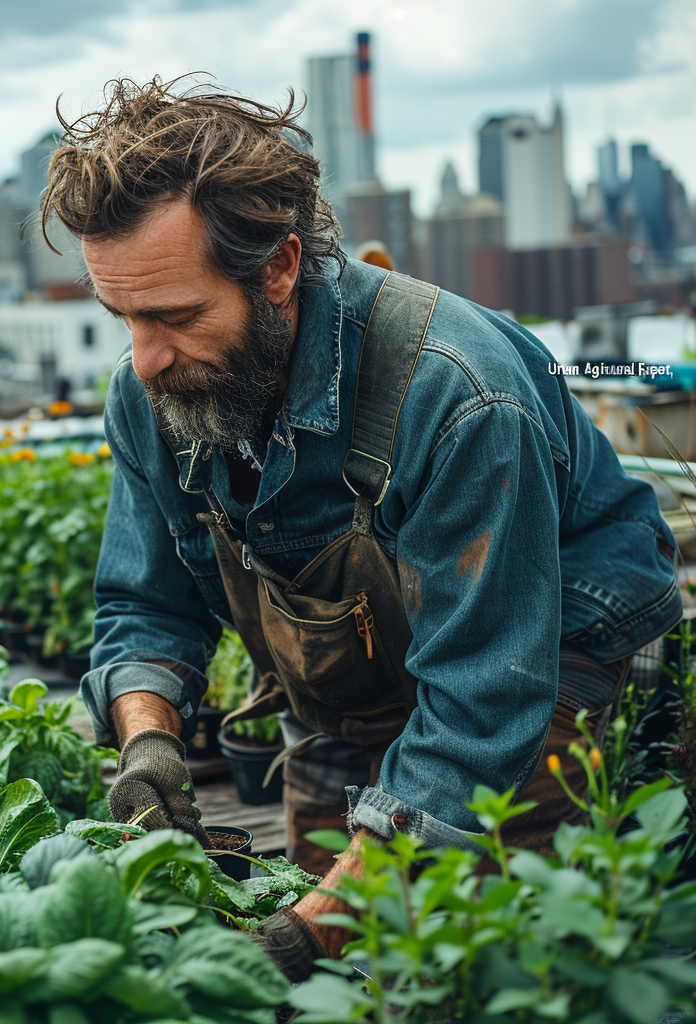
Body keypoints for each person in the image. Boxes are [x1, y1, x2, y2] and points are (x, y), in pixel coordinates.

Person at [41, 76, 683, 981]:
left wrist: (315, 929)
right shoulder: (153, 390)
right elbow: (145, 599)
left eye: (175, 317)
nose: (144, 359)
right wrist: (147, 736)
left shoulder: (455, 395)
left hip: (550, 662)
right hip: (356, 688)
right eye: (125, 318)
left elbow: (482, 702)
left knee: (498, 957)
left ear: (279, 268)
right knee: (334, 941)